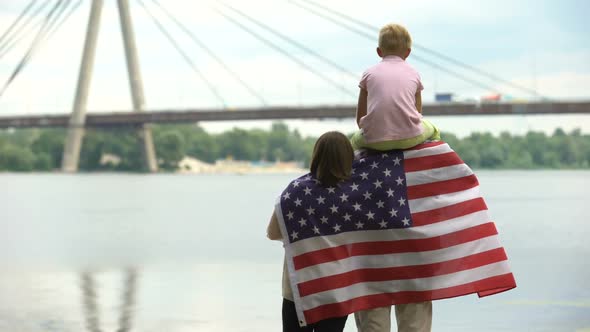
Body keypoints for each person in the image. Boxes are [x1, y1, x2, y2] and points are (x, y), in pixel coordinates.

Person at [267, 131, 353, 332]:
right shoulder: (354, 194)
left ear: (316, 156)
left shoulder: (295, 191)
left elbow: (272, 232)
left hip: (299, 288)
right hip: (337, 289)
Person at [351, 23, 440, 151]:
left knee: (354, 142)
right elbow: (418, 114)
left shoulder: (368, 74)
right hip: (410, 138)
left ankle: (358, 168)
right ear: (408, 52)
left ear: (379, 51)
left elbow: (360, 118)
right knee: (433, 129)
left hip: (375, 141)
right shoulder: (414, 73)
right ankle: (431, 158)